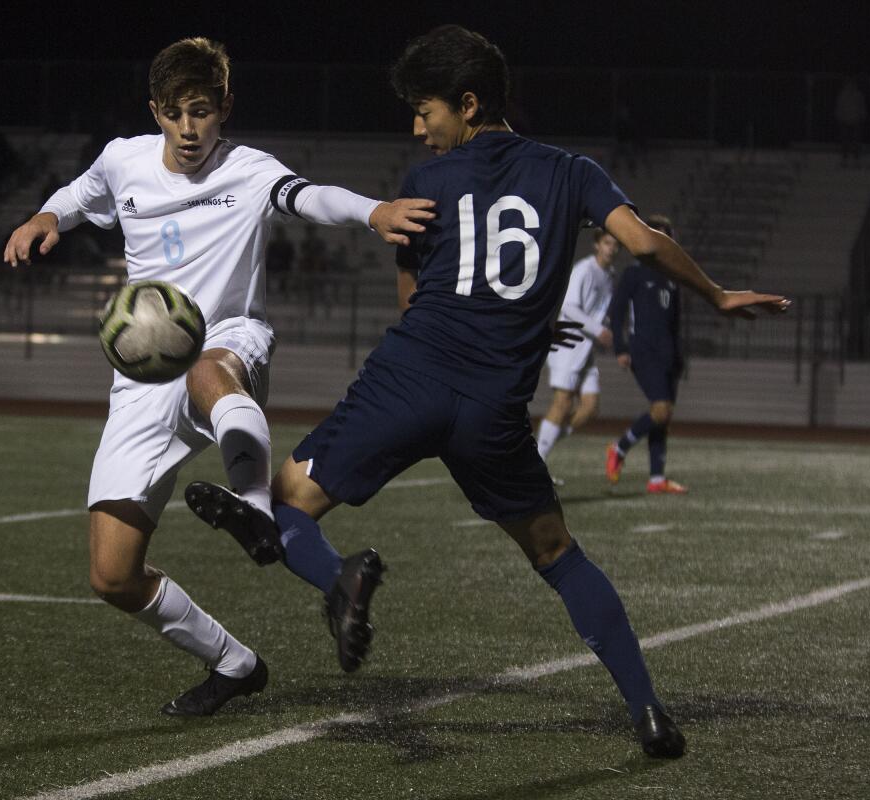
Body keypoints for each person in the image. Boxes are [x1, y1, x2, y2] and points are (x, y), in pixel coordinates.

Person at [190, 25, 789, 757]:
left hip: (407, 383)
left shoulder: (424, 183)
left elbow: (415, 306)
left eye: (426, 110)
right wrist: (719, 295)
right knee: (559, 555)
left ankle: (338, 580)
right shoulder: (572, 171)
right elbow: (641, 243)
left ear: (468, 104)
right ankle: (649, 713)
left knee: (280, 507)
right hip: (493, 410)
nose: (418, 127)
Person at [3, 37, 434, 718]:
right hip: (143, 379)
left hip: (229, 340)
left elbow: (309, 196)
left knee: (208, 364)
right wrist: (43, 218)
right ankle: (234, 663)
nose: (188, 128)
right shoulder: (124, 160)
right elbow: (79, 194)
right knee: (112, 575)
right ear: (155, 111)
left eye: (201, 111)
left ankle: (256, 511)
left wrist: (374, 211)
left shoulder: (249, 169)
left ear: (224, 107)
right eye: (174, 114)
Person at [605, 214, 688, 494]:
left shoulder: (673, 276)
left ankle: (656, 479)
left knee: (663, 415)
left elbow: (675, 322)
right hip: (643, 351)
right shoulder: (634, 273)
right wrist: (621, 347)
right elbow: (616, 313)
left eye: (667, 236)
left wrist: (679, 357)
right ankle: (619, 447)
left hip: (667, 355)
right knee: (660, 409)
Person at [536, 228, 619, 475]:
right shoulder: (584, 270)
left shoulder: (610, 275)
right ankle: (536, 464)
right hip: (568, 343)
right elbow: (569, 307)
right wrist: (598, 329)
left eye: (615, 244)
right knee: (562, 403)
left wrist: (606, 327)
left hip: (586, 348)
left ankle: (537, 451)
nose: (611, 248)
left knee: (591, 407)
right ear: (597, 244)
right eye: (607, 243)